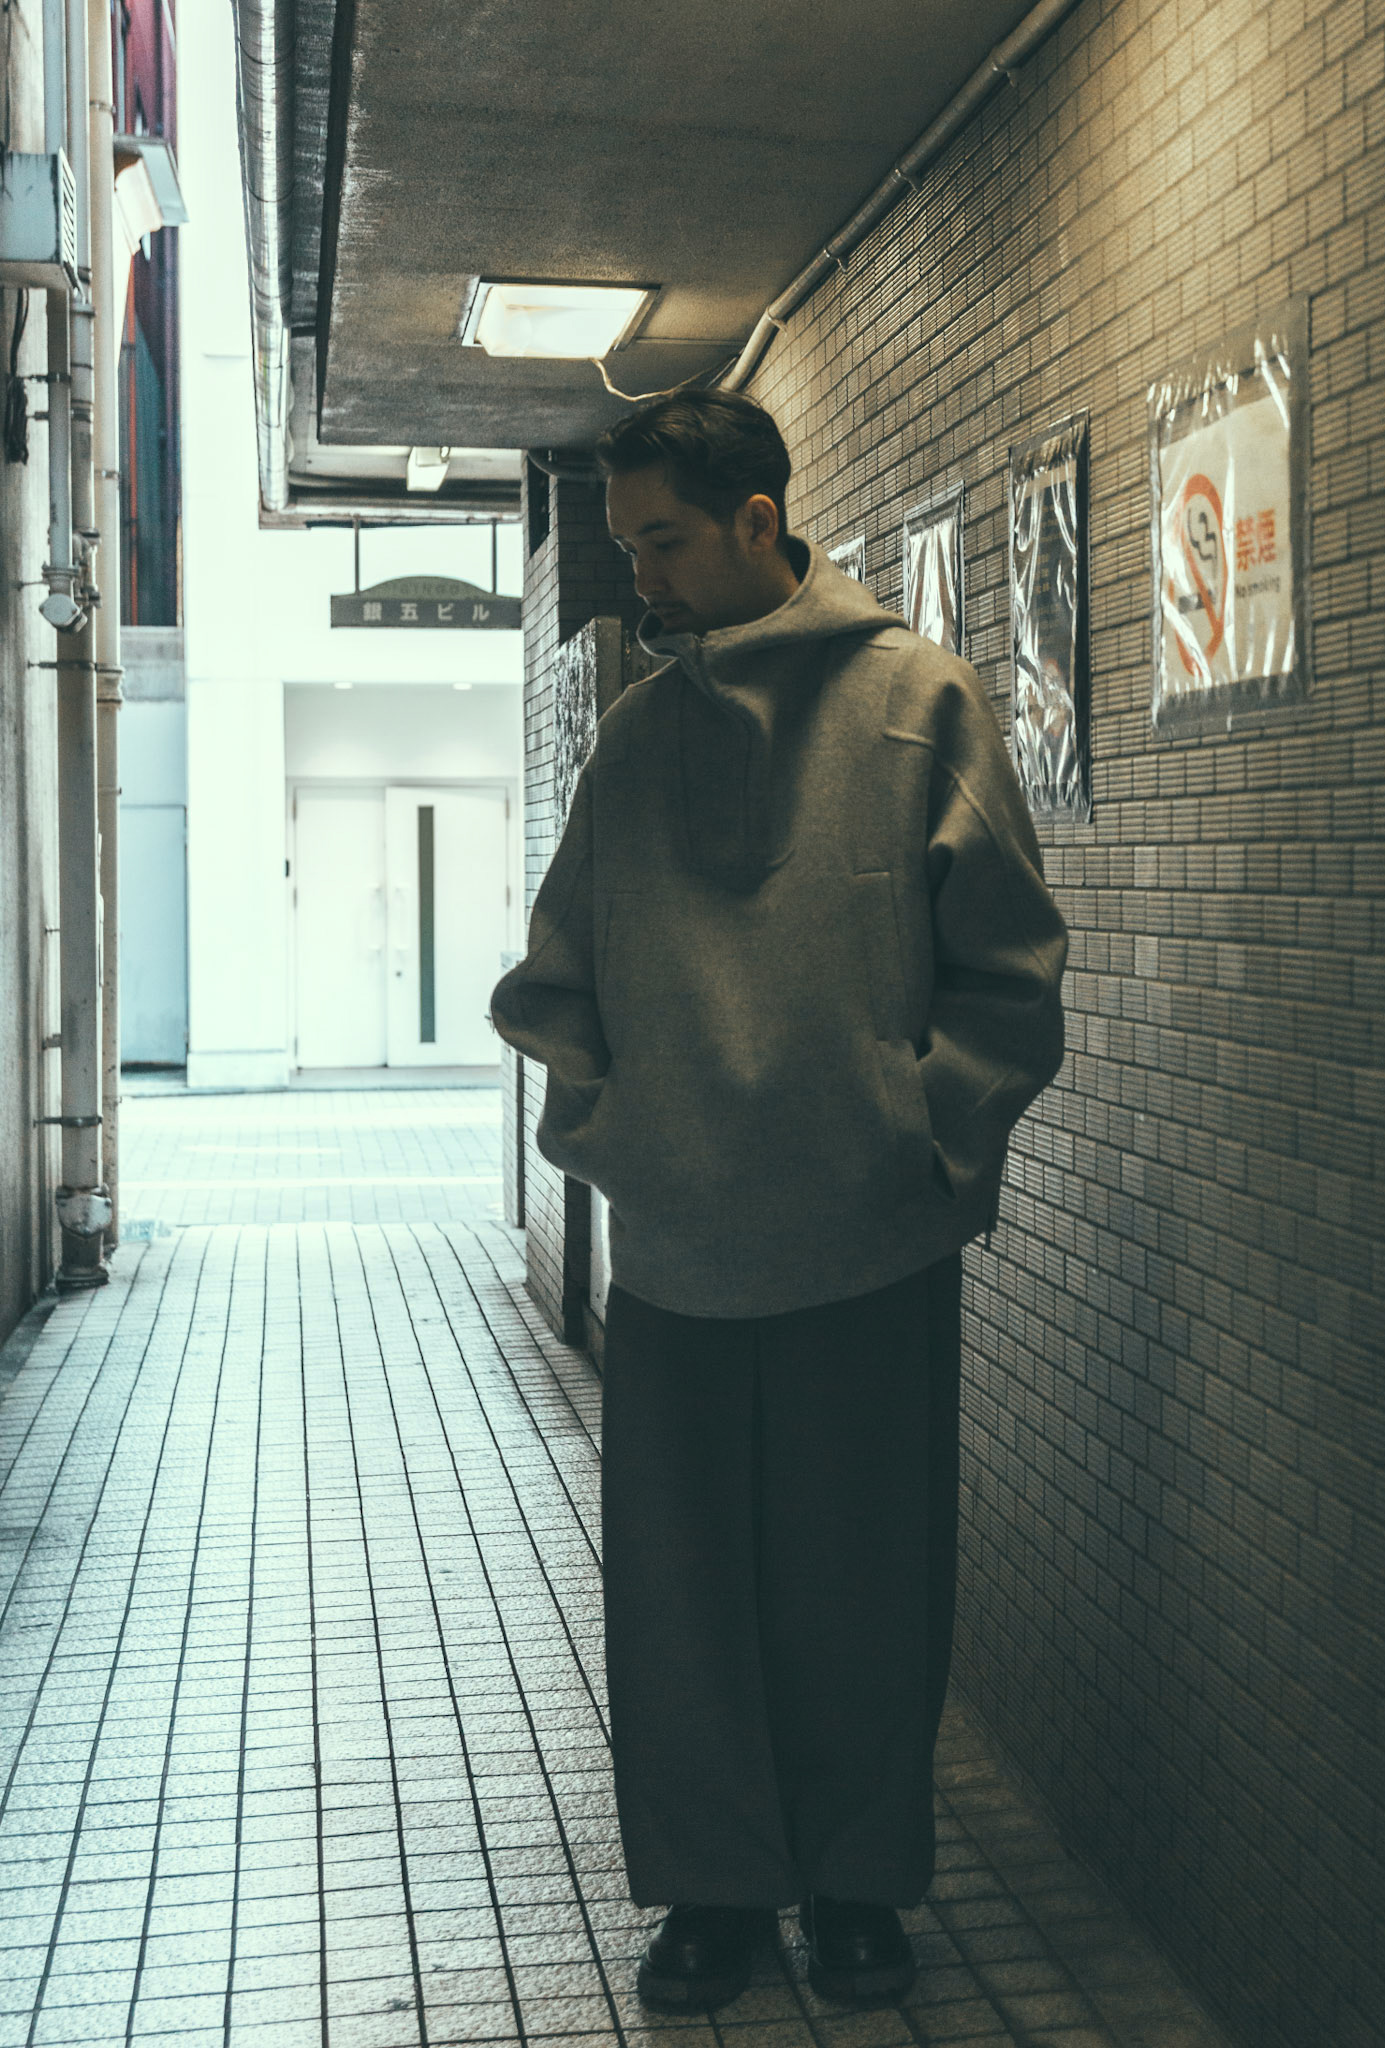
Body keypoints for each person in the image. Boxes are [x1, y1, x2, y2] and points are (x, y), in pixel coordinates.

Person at [489, 390, 1066, 2012]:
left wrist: (914, 1140)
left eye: (664, 542)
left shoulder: (921, 702)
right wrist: (610, 1132)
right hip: (678, 1251)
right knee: (681, 1594)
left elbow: (1010, 972)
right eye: (625, 547)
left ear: (758, 522)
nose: (640, 578)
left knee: (863, 1579)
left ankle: (858, 1883)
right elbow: (556, 974)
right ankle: (714, 1895)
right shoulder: (637, 738)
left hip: (869, 1242)